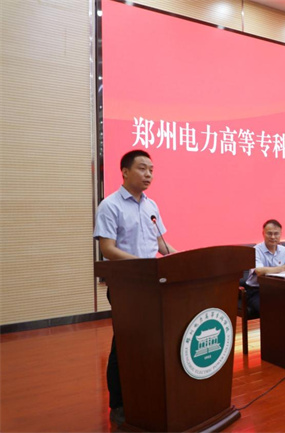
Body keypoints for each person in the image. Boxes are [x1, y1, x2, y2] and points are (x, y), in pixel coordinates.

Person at [93, 150, 177, 426]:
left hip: (152, 285)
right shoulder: (110, 205)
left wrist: (182, 259)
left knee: (151, 342)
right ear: (125, 172)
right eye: (142, 168)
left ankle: (146, 393)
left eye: (151, 169)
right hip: (126, 286)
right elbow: (107, 248)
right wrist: (143, 266)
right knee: (124, 344)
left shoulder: (151, 206)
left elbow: (160, 244)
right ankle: (118, 404)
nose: (148, 174)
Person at [243, 219, 285, 316]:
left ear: (280, 234)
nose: (273, 237)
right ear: (263, 234)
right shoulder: (256, 250)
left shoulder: (283, 250)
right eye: (269, 233)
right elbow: (259, 271)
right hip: (257, 291)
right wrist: (284, 268)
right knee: (271, 310)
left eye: (276, 234)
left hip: (279, 289)